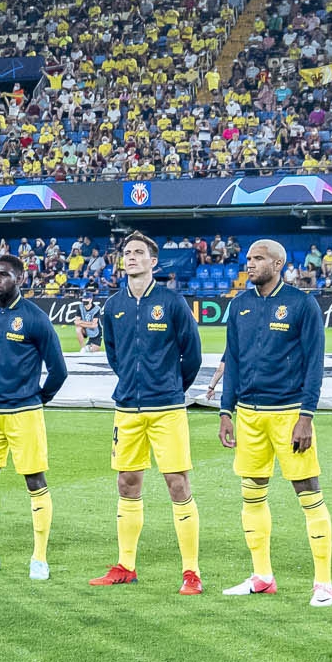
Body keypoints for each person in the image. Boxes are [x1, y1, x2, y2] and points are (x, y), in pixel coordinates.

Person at [218, 240, 332, 605]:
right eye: (248, 258)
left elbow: (315, 363)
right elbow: (233, 362)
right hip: (249, 416)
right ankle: (262, 576)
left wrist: (307, 416)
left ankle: (323, 584)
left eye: (258, 259)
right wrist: (226, 411)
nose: (249, 264)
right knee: (251, 495)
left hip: (289, 415)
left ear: (278, 263)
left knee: (309, 494)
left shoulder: (302, 304)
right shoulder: (239, 305)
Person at [94, 233, 204, 592]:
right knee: (127, 483)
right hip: (127, 408)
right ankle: (126, 565)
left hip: (167, 408)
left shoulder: (172, 302)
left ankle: (191, 571)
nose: (131, 258)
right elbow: (114, 354)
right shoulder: (112, 306)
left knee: (177, 483)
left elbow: (194, 355)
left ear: (153, 261)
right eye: (127, 253)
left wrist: (171, 387)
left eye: (139, 253)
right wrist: (132, 381)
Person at [0, 254, 67, 580]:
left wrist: (38, 398)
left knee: (34, 481)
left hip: (25, 413)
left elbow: (58, 371)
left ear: (20, 279)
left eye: (3, 274)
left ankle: (39, 558)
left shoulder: (36, 319)